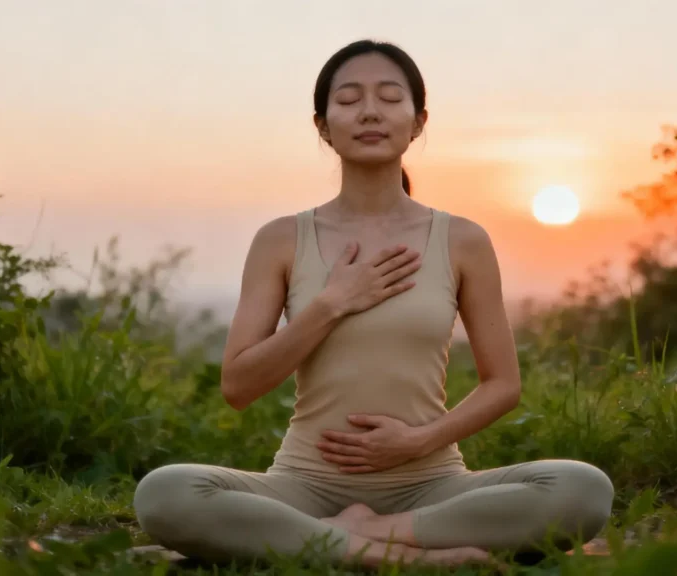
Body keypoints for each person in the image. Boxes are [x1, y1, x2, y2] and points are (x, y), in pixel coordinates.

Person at [133, 39, 614, 569]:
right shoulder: (281, 240)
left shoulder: (462, 240)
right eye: (348, 100)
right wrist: (330, 304)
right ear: (322, 125)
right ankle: (405, 559)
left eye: (389, 97)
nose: (369, 112)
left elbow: (503, 384)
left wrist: (417, 442)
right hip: (304, 484)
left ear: (417, 122)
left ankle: (355, 536)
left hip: (430, 484)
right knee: (165, 493)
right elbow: (238, 386)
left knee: (582, 489)